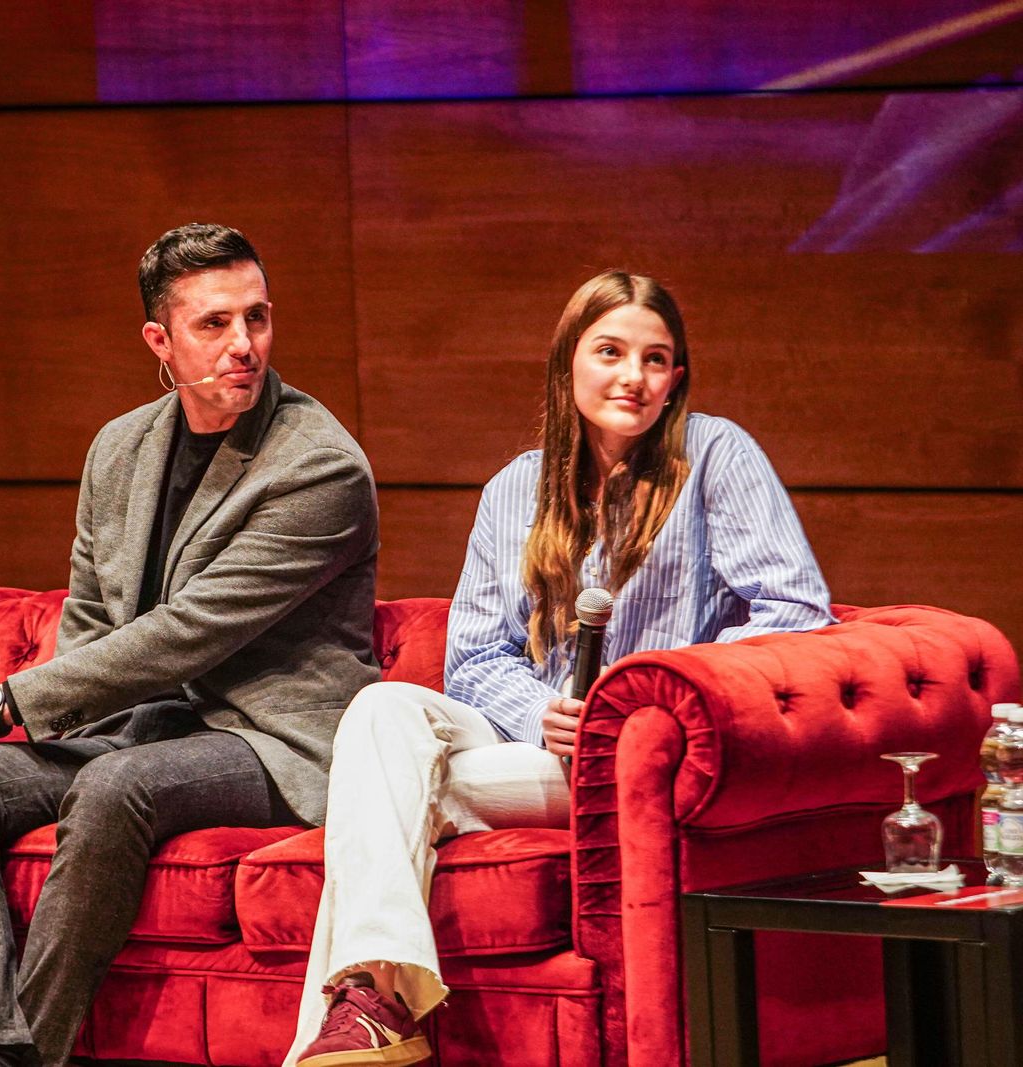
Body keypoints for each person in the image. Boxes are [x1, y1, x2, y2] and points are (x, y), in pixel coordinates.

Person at [286, 270, 835, 1067]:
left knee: (386, 796)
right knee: (383, 711)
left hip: (641, 759)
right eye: (610, 351)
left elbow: (796, 612)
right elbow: (474, 656)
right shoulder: (516, 487)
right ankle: (374, 1009)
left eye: (655, 359)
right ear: (568, 362)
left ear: (676, 376)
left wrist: (639, 700)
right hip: (539, 743)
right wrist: (544, 708)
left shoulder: (716, 455)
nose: (633, 377)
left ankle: (360, 1015)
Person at [0, 223, 380, 1067]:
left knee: (115, 785)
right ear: (160, 339)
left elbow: (183, 635)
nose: (243, 345)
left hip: (273, 738)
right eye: (213, 324)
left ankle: (32, 1051)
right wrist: (28, 729)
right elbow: (95, 625)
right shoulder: (119, 448)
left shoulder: (320, 466)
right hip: (143, 726)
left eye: (256, 318)